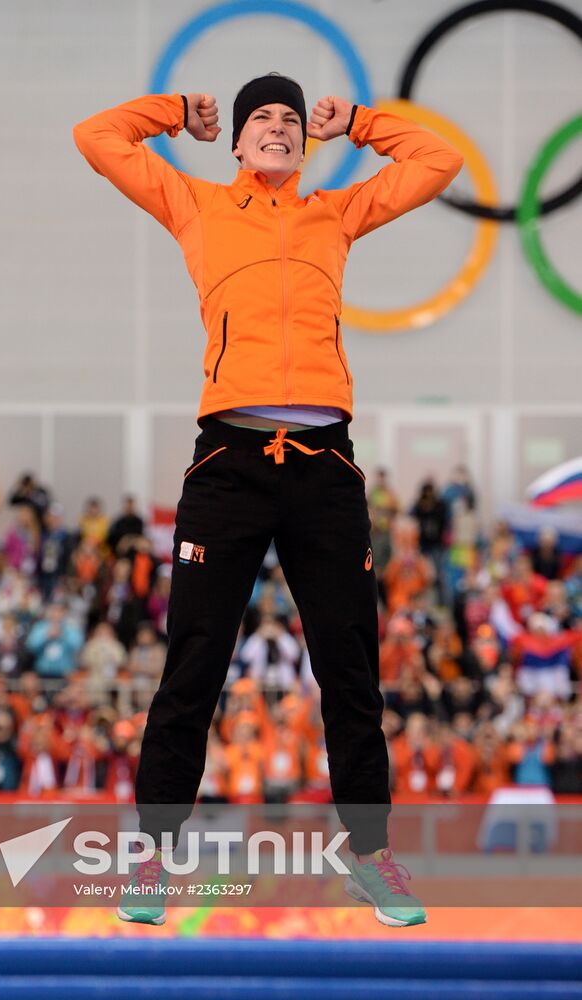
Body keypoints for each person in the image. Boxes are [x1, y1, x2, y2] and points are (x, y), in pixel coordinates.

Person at [75, 72, 462, 927]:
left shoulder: (336, 211)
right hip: (230, 460)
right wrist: (176, 114)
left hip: (325, 466)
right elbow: (96, 138)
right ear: (241, 143)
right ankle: (150, 859)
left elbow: (439, 160)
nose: (280, 128)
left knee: (350, 671)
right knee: (194, 665)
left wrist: (361, 123)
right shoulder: (197, 205)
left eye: (291, 119)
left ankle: (371, 858)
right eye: (264, 121)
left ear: (305, 140)